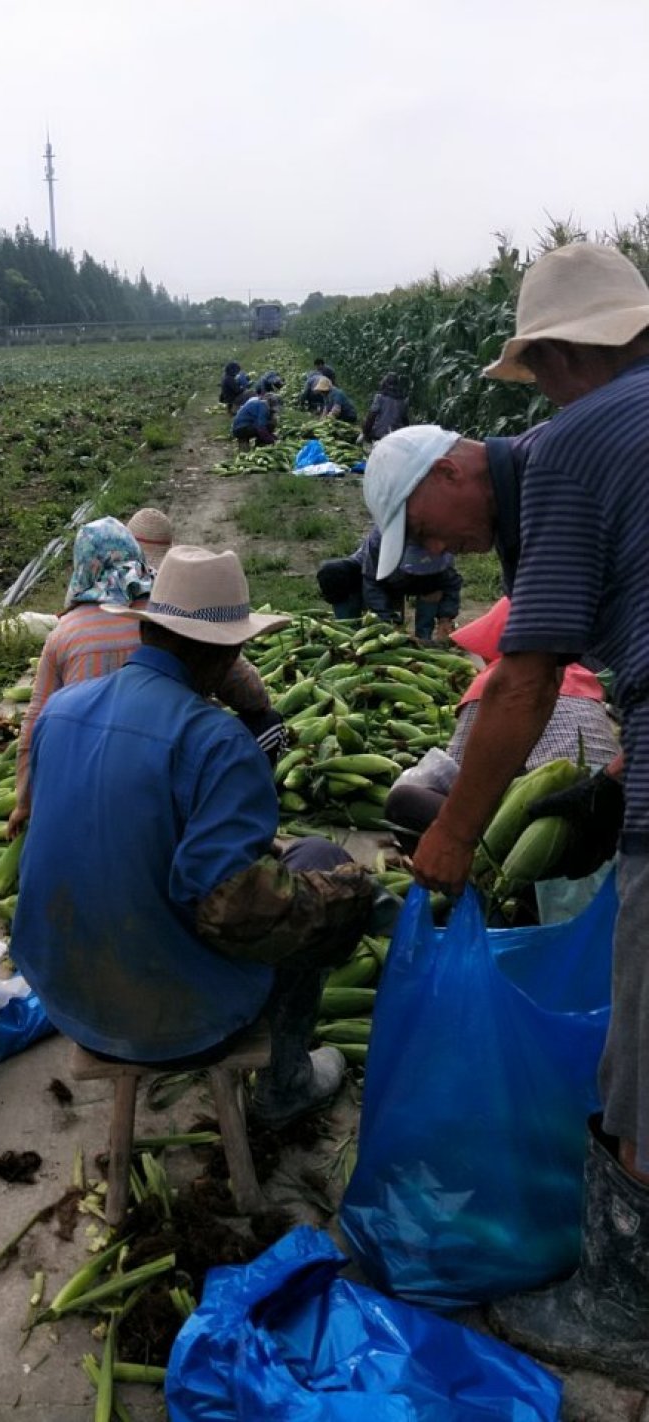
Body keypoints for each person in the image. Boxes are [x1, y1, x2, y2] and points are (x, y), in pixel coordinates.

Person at [366, 244, 649, 1387]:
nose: (435, 550)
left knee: (640, 1064)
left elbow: (524, 683)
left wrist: (448, 839)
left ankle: (622, 1311)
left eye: (422, 529)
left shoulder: (576, 444)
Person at [11, 546, 392, 1130]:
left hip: (63, 994)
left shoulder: (61, 711)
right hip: (177, 1020)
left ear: (153, 631)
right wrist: (354, 898)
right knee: (321, 869)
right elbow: (234, 910)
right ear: (226, 650)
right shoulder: (217, 741)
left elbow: (122, 827)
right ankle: (285, 1085)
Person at [8, 516, 283, 836]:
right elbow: (252, 697)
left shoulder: (62, 668)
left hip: (81, 782)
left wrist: (25, 802)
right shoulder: (217, 735)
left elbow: (33, 720)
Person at [384, 596, 619, 842]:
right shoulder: (583, 680)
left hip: (545, 830)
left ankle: (468, 876)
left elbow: (456, 775)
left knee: (403, 801)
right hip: (606, 817)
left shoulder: (502, 686)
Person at [316, 523, 461, 641]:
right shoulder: (381, 538)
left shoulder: (439, 539)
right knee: (332, 573)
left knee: (434, 581)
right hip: (378, 574)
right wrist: (390, 622)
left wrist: (445, 618)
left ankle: (424, 637)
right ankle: (349, 635)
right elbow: (372, 584)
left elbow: (450, 582)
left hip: (417, 581)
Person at [362, 372, 409, 442]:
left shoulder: (380, 397)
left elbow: (371, 417)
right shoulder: (402, 401)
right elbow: (405, 422)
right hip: (394, 437)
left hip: (378, 435)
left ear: (385, 383)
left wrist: (365, 433)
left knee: (366, 420)